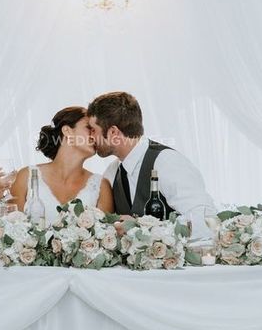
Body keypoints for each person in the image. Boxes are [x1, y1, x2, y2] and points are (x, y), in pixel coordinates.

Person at [86, 91, 216, 238]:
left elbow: (205, 221)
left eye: (93, 130)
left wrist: (142, 228)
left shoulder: (167, 162)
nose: (90, 137)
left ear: (113, 132)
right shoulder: (112, 172)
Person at [0, 106, 114, 223]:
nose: (96, 135)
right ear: (67, 131)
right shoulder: (26, 176)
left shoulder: (101, 186)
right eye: (89, 128)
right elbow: (8, 231)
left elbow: (106, 237)